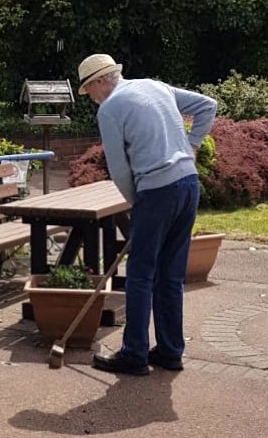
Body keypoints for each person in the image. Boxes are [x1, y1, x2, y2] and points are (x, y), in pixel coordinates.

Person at [76, 54, 217, 376]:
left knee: (140, 275)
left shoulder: (109, 109)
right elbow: (207, 105)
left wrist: (136, 204)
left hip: (156, 191)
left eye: (89, 90)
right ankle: (170, 351)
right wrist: (192, 146)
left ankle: (134, 354)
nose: (91, 97)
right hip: (188, 184)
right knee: (170, 274)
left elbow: (119, 170)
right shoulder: (155, 86)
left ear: (100, 81)